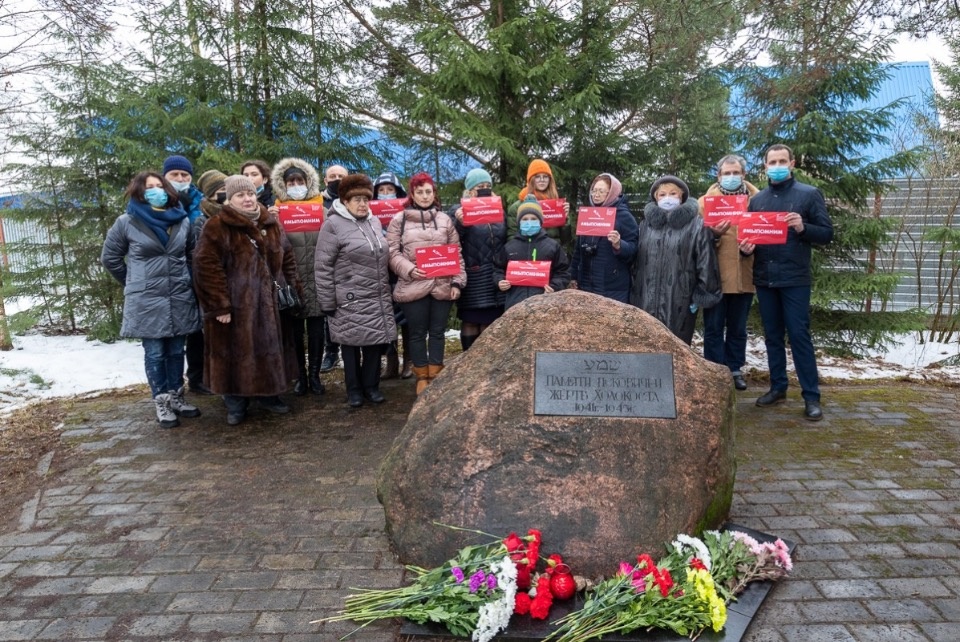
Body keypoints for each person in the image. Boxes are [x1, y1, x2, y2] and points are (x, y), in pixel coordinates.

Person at [193, 175, 300, 426]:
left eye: (250, 194)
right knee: (235, 353)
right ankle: (235, 403)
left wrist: (293, 289)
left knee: (269, 349)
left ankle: (270, 395)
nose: (248, 199)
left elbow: (287, 257)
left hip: (272, 303)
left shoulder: (270, 222)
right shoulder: (216, 226)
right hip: (236, 305)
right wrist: (219, 305)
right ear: (229, 199)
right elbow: (205, 267)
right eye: (240, 195)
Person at [101, 171, 201, 429]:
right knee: (155, 352)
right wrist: (135, 282)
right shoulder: (127, 222)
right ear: (139, 192)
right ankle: (161, 401)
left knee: (178, 350)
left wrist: (188, 280)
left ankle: (177, 396)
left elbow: (191, 254)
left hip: (179, 294)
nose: (156, 190)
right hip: (147, 299)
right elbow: (110, 258)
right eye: (150, 187)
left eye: (160, 186)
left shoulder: (181, 220)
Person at [740, 144, 833, 421]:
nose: (777, 166)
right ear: (765, 167)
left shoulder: (808, 194)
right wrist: (745, 249)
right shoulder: (758, 201)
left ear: (792, 164)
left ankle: (811, 396)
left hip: (795, 278)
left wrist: (803, 227)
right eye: (772, 162)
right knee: (772, 337)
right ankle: (778, 387)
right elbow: (751, 241)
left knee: (799, 335)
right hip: (766, 278)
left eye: (782, 161)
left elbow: (826, 234)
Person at [315, 174, 397, 407]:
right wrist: (327, 302)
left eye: (365, 199)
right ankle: (354, 390)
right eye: (356, 199)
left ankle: (371, 386)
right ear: (345, 201)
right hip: (347, 298)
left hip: (375, 295)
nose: (362, 204)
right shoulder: (332, 225)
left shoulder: (373, 221)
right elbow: (322, 266)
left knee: (373, 344)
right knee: (350, 347)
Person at [387, 172, 466, 394]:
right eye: (419, 192)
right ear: (412, 194)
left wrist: (457, 283)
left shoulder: (444, 220)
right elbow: (392, 253)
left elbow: (457, 254)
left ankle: (437, 374)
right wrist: (410, 269)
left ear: (434, 193)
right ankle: (422, 376)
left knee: (438, 331)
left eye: (428, 192)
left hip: (442, 285)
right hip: (413, 285)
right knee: (417, 332)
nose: (424, 196)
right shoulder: (399, 220)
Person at [631, 175, 721, 344]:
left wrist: (701, 294)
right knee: (646, 346)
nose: (668, 198)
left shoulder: (696, 225)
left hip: (679, 300)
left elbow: (706, 262)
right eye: (662, 194)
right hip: (645, 300)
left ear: (681, 197)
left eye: (673, 193)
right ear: (655, 198)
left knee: (676, 349)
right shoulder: (645, 226)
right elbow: (635, 262)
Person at [698, 155, 760, 390]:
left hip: (745, 273)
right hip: (714, 275)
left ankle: (734, 369)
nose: (731, 177)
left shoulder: (757, 200)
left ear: (743, 175)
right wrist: (713, 234)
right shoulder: (703, 203)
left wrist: (752, 247)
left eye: (736, 173)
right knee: (713, 327)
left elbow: (766, 233)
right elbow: (695, 240)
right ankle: (714, 371)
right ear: (718, 175)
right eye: (727, 173)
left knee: (737, 327)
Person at [268, 158, 327, 396]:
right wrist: (270, 222)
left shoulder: (321, 209)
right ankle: (300, 376)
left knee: (316, 330)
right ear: (283, 185)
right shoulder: (275, 211)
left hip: (316, 278)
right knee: (294, 333)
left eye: (300, 181)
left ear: (308, 182)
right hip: (290, 281)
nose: (296, 185)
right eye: (291, 181)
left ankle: (314, 376)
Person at [450, 168, 506, 350]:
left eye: (487, 186)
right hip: (473, 276)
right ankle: (468, 362)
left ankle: (486, 363)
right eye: (479, 186)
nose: (484, 189)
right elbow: (452, 241)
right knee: (471, 320)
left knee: (490, 322)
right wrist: (460, 221)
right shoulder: (457, 210)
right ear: (470, 189)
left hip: (493, 275)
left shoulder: (498, 209)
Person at [184, 169, 228, 395]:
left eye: (226, 190)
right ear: (210, 195)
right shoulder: (201, 221)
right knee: (206, 336)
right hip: (209, 286)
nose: (224, 195)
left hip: (234, 287)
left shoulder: (235, 214)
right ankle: (203, 379)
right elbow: (200, 258)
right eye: (220, 192)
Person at [569, 173, 639, 303]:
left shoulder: (624, 216)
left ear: (612, 193)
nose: (596, 195)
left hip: (613, 288)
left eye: (601, 191)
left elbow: (634, 250)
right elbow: (577, 252)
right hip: (586, 286)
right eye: (594, 191)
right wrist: (573, 277)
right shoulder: (587, 215)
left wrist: (619, 245)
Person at [494, 196, 570, 310]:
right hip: (515, 305)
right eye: (525, 219)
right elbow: (498, 268)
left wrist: (554, 286)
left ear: (540, 221)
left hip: (545, 304)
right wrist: (499, 281)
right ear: (519, 222)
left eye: (533, 218)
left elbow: (563, 272)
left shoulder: (552, 246)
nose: (529, 222)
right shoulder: (509, 246)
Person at [373, 172, 413, 380]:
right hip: (379, 273)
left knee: (406, 317)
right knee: (386, 317)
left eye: (390, 191)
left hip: (403, 271)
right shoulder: (369, 216)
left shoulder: (407, 214)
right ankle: (391, 361)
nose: (386, 195)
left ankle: (409, 360)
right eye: (382, 191)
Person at [319, 164, 349, 371]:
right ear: (325, 180)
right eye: (332, 176)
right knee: (328, 312)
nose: (336, 179)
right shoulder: (316, 202)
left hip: (350, 263)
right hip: (327, 260)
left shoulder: (356, 200)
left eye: (341, 176)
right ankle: (331, 352)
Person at [506, 159, 570, 241]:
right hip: (528, 252)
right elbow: (512, 238)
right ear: (531, 179)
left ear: (550, 180)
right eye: (537, 177)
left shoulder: (557, 205)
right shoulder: (517, 206)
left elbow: (565, 239)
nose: (542, 180)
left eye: (545, 176)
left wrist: (565, 219)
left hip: (552, 252)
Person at [163, 155, 203, 223]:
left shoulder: (201, 199)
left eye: (184, 175)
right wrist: (178, 206)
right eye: (175, 174)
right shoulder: (154, 198)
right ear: (164, 177)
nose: (180, 179)